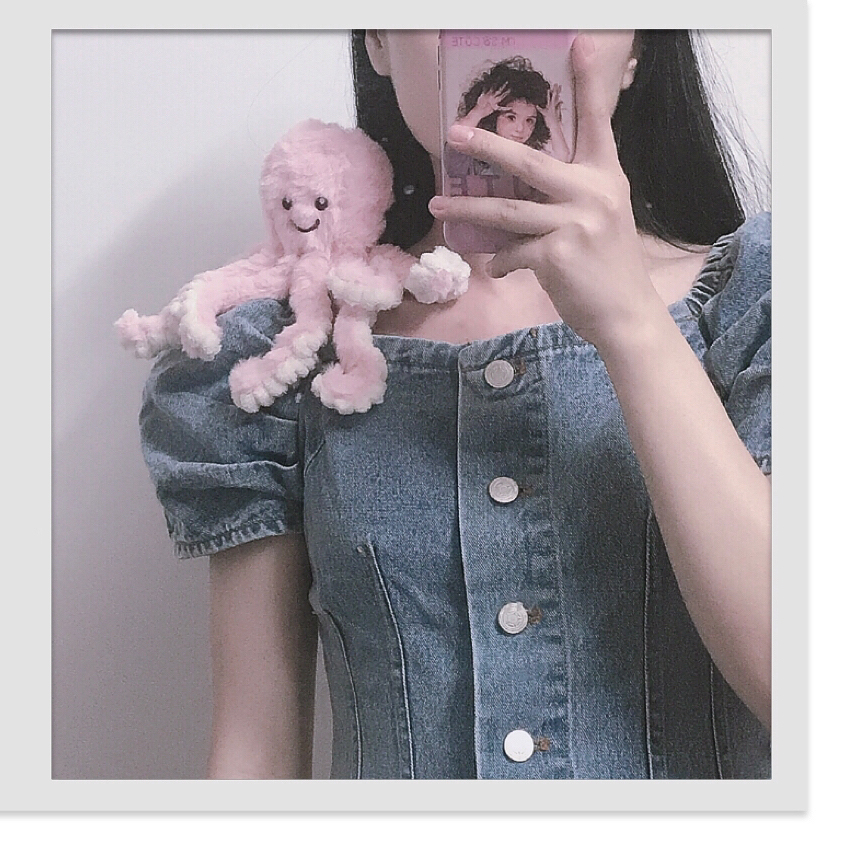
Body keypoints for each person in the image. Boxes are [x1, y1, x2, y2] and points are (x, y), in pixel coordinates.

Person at [139, 30, 771, 779]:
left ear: (636, 49)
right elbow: (254, 750)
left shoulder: (760, 301)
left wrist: (633, 323)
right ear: (379, 39)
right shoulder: (278, 357)